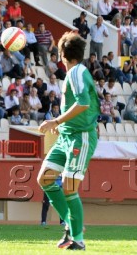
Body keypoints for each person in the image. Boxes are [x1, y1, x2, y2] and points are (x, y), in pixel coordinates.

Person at [38, 32, 100, 251]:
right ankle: (74, 227)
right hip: (66, 136)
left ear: (63, 54)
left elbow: (83, 103)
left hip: (80, 136)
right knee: (45, 179)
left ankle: (78, 239)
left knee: (69, 187)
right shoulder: (76, 72)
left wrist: (55, 120)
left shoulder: (77, 73)